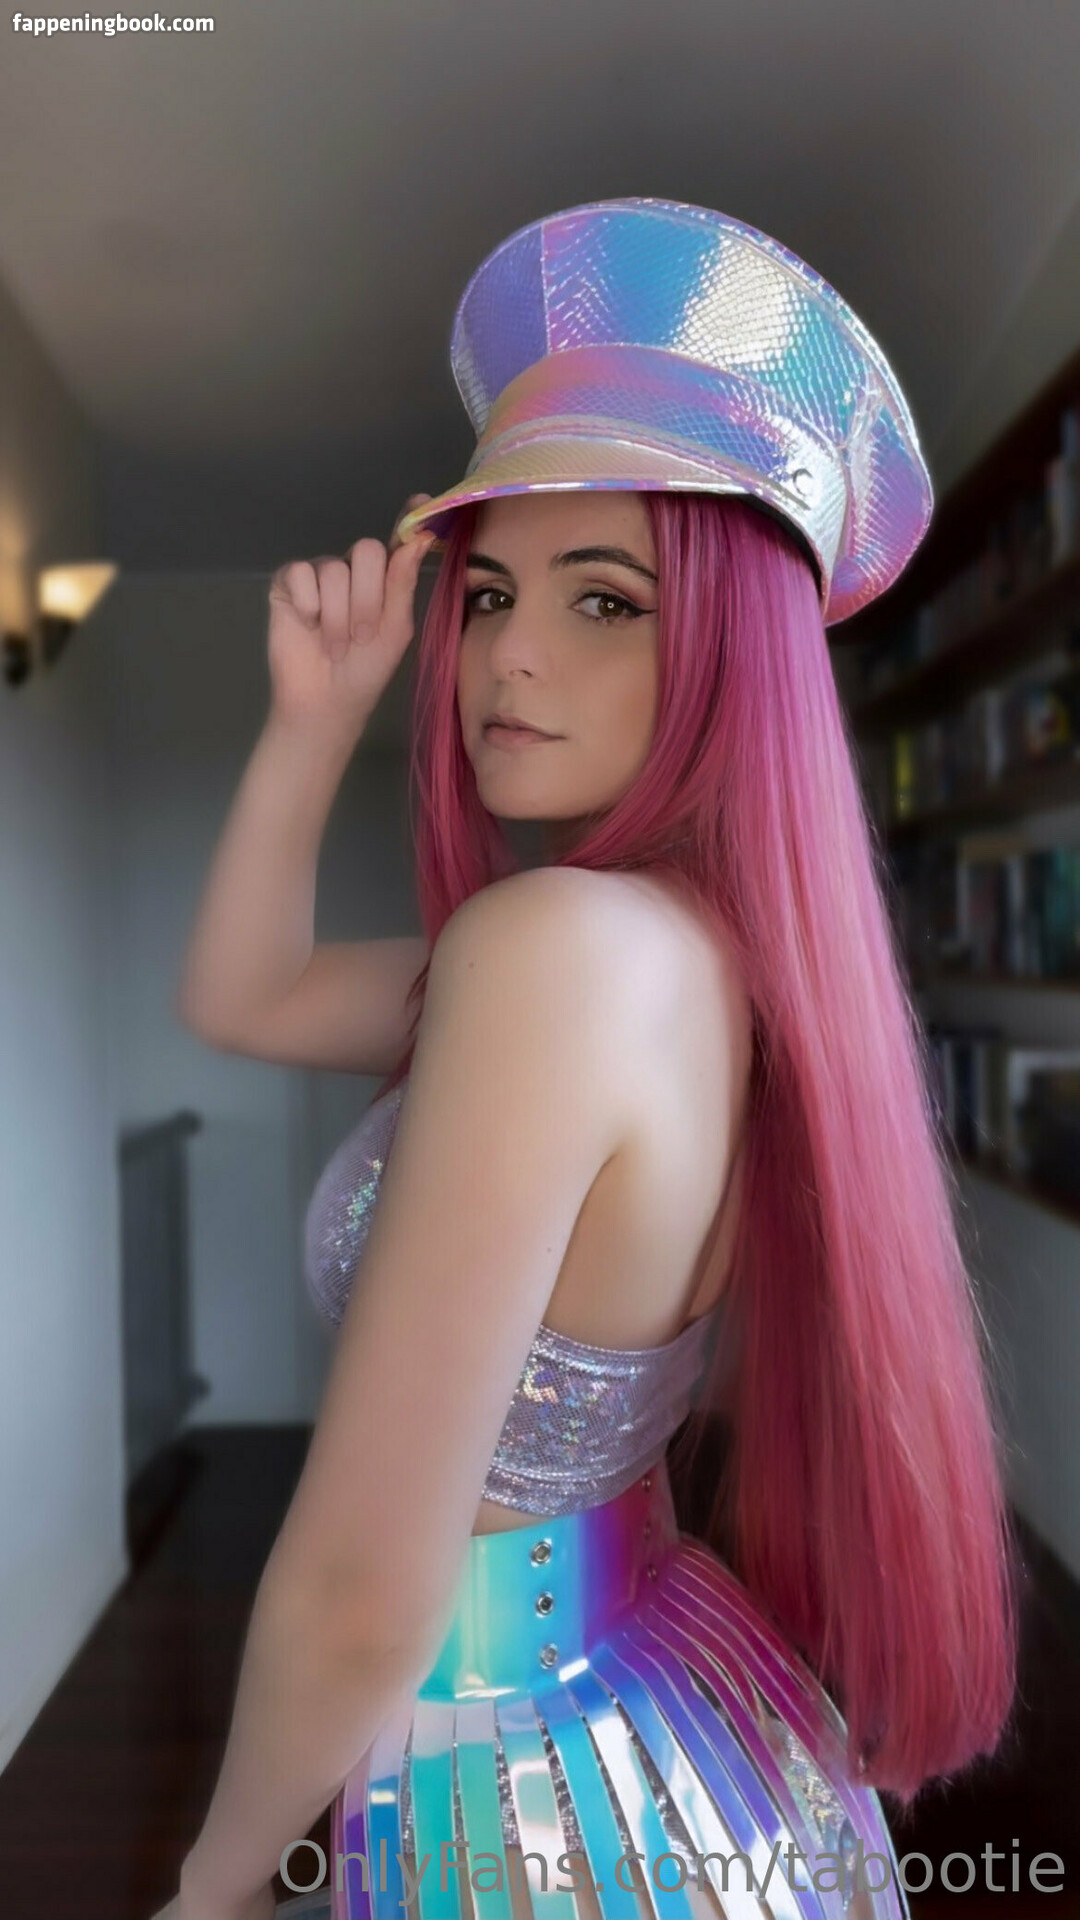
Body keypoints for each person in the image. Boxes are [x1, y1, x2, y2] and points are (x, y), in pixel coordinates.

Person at [154, 200, 1019, 1920]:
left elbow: (360, 1585)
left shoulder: (550, 957)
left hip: (517, 1784)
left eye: (606, 598)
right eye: (488, 593)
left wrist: (211, 1888)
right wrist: (315, 722)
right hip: (669, 1695)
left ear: (726, 651)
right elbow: (248, 998)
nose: (509, 654)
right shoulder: (699, 958)